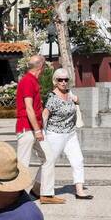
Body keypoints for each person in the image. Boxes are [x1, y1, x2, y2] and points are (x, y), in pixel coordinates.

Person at [40, 67, 91, 202]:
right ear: (55, 81)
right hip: (55, 134)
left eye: (65, 79)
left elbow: (78, 102)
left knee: (78, 160)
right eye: (60, 80)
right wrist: (41, 133)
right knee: (49, 162)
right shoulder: (52, 97)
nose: (63, 82)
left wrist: (75, 98)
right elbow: (44, 115)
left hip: (70, 134)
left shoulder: (69, 93)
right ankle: (39, 189)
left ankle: (79, 191)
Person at [15, 53, 46, 196]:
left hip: (33, 128)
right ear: (40, 66)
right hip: (27, 128)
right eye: (44, 66)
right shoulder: (28, 81)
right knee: (23, 164)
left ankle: (36, 190)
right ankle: (16, 196)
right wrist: (37, 130)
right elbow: (29, 108)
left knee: (48, 158)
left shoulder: (32, 80)